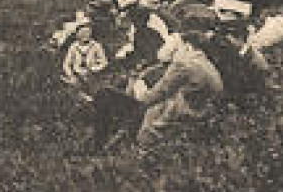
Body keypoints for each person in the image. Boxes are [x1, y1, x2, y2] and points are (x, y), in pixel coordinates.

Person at [130, 8, 225, 147]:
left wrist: (138, 93)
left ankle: (142, 146)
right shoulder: (202, 58)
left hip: (189, 112)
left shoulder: (183, 63)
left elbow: (159, 93)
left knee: (152, 112)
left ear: (186, 43)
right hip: (205, 108)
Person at [60, 17, 109, 91]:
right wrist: (71, 75)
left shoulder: (96, 45)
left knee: (95, 89)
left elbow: (104, 62)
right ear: (77, 33)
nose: (85, 35)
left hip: (92, 75)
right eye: (82, 32)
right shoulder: (74, 46)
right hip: (77, 75)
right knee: (74, 88)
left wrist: (94, 69)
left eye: (87, 32)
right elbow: (66, 64)